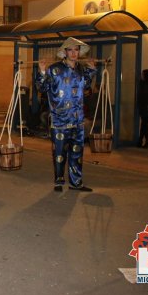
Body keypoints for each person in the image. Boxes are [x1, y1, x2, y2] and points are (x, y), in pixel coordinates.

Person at [36, 37, 96, 193]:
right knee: (59, 153)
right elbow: (42, 88)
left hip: (77, 119)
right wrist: (42, 71)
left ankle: (76, 182)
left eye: (76, 50)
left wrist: (91, 69)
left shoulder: (81, 69)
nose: (74, 53)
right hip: (60, 119)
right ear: (65, 52)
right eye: (70, 50)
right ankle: (59, 181)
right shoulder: (54, 69)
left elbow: (87, 86)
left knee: (77, 153)